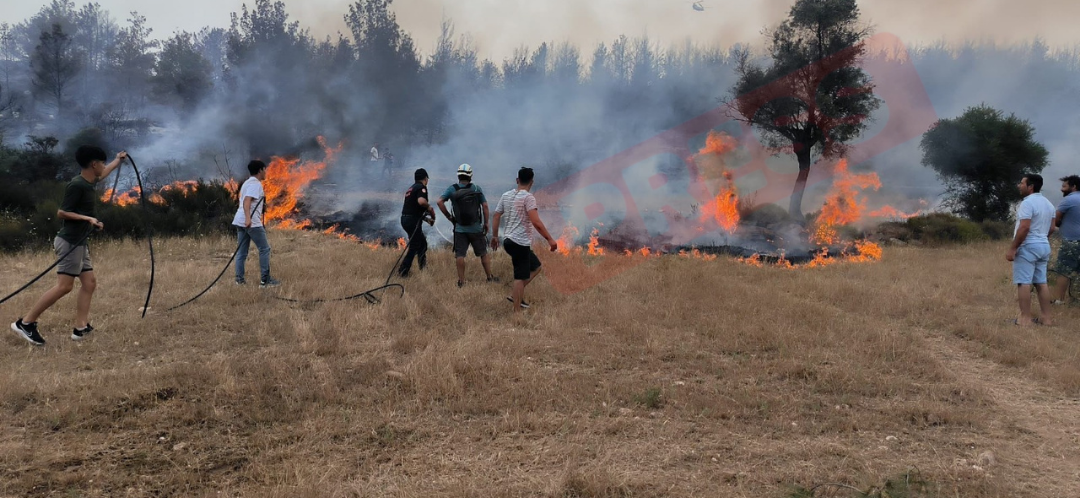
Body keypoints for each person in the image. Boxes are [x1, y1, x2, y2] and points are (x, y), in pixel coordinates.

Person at [11, 146, 127, 346]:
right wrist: (88, 218)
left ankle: (80, 328)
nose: (103, 166)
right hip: (69, 242)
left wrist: (118, 160)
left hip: (80, 242)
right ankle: (26, 323)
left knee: (89, 283)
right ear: (93, 164)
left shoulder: (91, 181)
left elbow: (105, 172)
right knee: (64, 287)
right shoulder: (77, 185)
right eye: (102, 162)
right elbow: (62, 212)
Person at [490, 167, 558, 313]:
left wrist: (495, 237)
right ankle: (516, 311)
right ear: (532, 182)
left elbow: (496, 216)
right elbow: (536, 222)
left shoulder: (506, 195)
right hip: (519, 242)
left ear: (517, 180)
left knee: (536, 267)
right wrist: (550, 239)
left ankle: (516, 295)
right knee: (520, 277)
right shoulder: (528, 198)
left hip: (508, 240)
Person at [1006, 174, 1056, 326]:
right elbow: (1052, 227)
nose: (1019, 185)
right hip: (1043, 245)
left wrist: (1013, 248)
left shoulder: (1027, 203)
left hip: (1028, 246)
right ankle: (1046, 318)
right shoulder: (1049, 204)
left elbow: (1025, 227)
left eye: (1022, 183)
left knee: (1023, 282)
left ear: (1030, 186)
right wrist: (1042, 239)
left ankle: (1025, 319)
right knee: (1041, 282)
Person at [438, 163, 498, 287]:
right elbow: (485, 206)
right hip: (476, 228)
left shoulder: (452, 189)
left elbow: (439, 202)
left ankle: (461, 281)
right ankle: (489, 277)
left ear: (458, 175)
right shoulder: (476, 188)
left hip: (460, 228)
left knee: (460, 255)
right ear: (470, 175)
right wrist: (486, 223)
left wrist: (449, 217)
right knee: (483, 253)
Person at [232, 160, 280, 288]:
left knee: (242, 252)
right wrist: (248, 219)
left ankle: (239, 280)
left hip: (239, 220)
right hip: (251, 222)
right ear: (260, 170)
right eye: (265, 169)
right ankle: (265, 281)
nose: (266, 172)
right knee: (264, 249)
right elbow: (247, 201)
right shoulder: (255, 185)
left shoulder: (247, 183)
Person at [399, 168, 436, 278]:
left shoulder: (411, 189)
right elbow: (421, 201)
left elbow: (414, 209)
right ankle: (403, 271)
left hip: (406, 219)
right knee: (415, 245)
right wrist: (429, 207)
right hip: (412, 221)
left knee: (422, 244)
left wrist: (427, 220)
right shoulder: (421, 188)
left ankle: (423, 268)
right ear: (425, 179)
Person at [1051, 175, 1080, 305]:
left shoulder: (1068, 200)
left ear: (1073, 187)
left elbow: (1056, 219)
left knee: (1063, 270)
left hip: (1072, 241)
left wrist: (1060, 224)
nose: (1062, 189)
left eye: (1064, 186)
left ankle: (1060, 300)